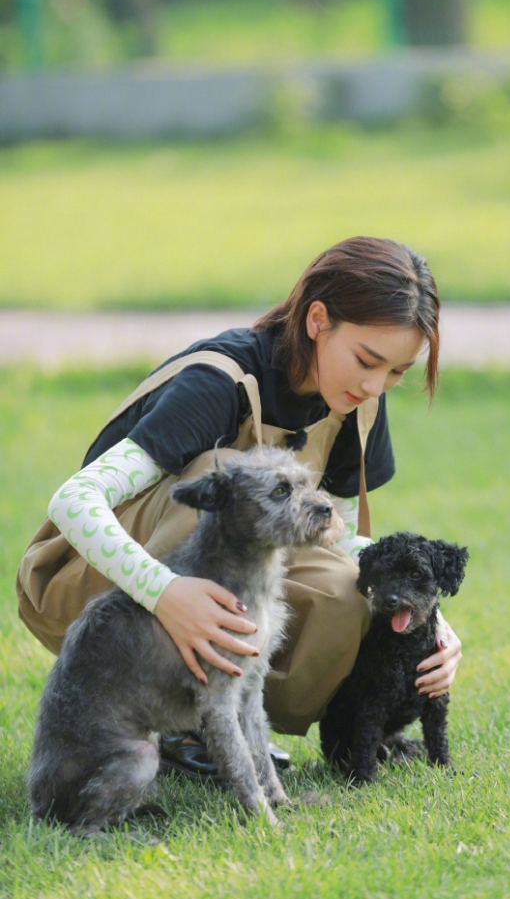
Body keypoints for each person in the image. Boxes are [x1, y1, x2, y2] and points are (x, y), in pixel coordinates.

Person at [19, 236, 462, 778]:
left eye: (396, 373)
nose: (375, 386)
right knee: (221, 478)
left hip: (212, 580)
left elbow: (340, 540)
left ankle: (213, 726)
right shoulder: (220, 379)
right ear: (318, 319)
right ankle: (185, 720)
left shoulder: (356, 400)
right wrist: (165, 593)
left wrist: (430, 623)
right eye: (367, 361)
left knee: (346, 590)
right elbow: (74, 500)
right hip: (89, 584)